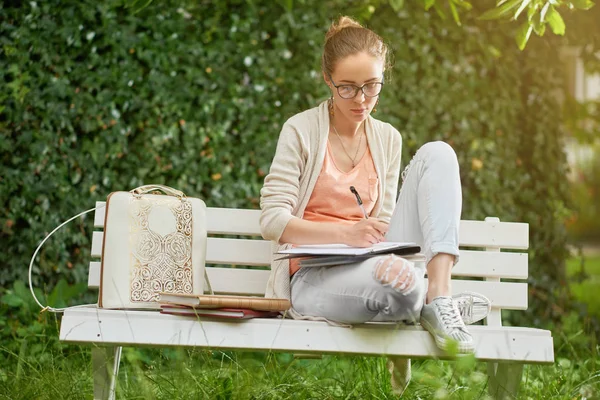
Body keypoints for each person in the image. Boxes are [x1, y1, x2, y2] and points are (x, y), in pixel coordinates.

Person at [259, 16, 491, 394]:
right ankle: (427, 300)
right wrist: (345, 233)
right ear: (327, 81)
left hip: (369, 262)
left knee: (439, 153)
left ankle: (440, 295)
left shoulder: (387, 138)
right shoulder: (300, 130)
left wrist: (375, 244)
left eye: (371, 86)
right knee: (400, 291)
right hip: (313, 275)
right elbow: (272, 220)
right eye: (348, 88)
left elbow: (382, 221)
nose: (362, 100)